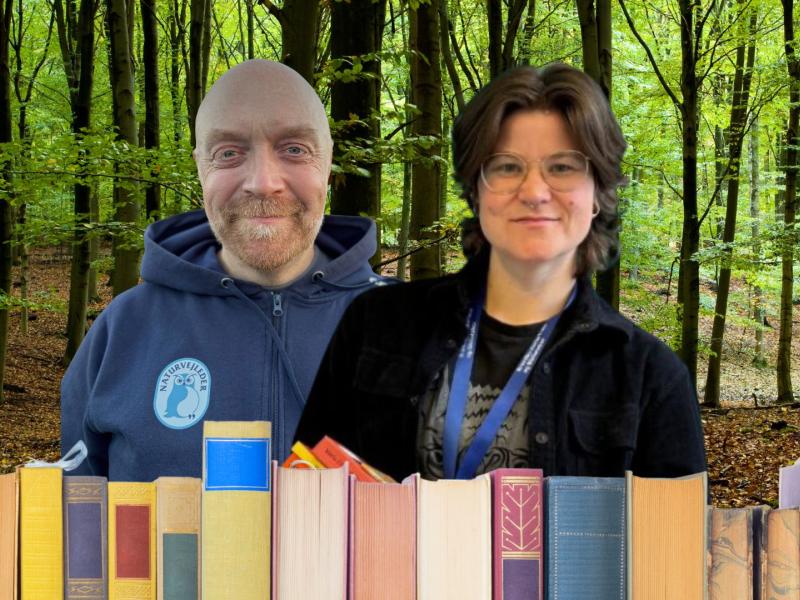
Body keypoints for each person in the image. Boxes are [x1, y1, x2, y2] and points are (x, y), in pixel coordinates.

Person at [295, 63, 706, 482]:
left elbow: (676, 525)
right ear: (476, 189)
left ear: (598, 193)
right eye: (507, 166)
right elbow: (307, 490)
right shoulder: (376, 324)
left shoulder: (652, 377)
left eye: (563, 167)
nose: (534, 192)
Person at [60, 60, 382, 481]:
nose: (263, 182)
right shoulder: (121, 333)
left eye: (294, 149)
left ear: (328, 160)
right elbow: (78, 512)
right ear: (200, 167)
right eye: (229, 153)